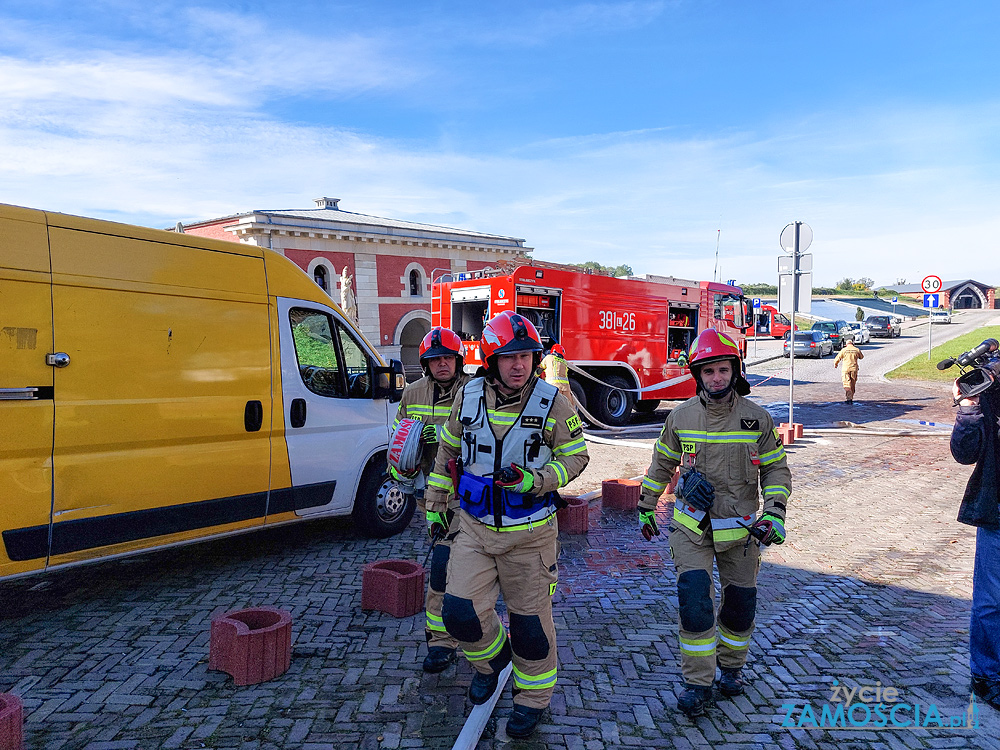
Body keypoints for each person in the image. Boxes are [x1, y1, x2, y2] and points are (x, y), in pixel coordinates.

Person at [423, 311, 589, 739]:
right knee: (459, 613)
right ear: (491, 359)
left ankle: (531, 698)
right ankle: (494, 664)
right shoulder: (469, 396)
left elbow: (576, 457)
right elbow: (447, 452)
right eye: (510, 357)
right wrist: (435, 503)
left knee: (531, 629)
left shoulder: (554, 402)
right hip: (474, 528)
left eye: (528, 356)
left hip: (530, 536)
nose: (520, 365)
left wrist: (537, 480)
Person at [637, 329, 792, 718]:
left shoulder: (757, 419)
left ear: (734, 371)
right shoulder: (680, 416)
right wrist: (646, 503)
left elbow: (776, 470)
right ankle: (697, 682)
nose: (717, 378)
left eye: (723, 370)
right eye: (709, 372)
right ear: (698, 375)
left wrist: (774, 513)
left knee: (740, 606)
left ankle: (732, 669)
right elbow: (661, 464)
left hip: (741, 532)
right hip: (691, 527)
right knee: (694, 601)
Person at [391, 327, 471, 673]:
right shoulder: (413, 393)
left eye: (447, 358)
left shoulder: (475, 391)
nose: (442, 364)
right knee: (442, 568)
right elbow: (398, 440)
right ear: (425, 364)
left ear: (458, 360)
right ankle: (440, 643)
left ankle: (473, 633)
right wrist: (405, 460)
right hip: (432, 499)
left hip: (471, 497)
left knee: (465, 569)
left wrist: (442, 434)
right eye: (435, 359)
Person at [950, 381, 1000, 710]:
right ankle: (987, 677)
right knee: (991, 602)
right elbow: (964, 453)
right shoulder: (992, 393)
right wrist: (968, 407)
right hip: (997, 512)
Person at [539, 343, 576, 409]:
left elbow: (540, 369)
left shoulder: (548, 358)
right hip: (566, 389)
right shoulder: (564, 362)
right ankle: (577, 419)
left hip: (553, 388)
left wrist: (534, 376)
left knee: (553, 409)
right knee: (570, 409)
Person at [833, 336, 864, 403]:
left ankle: (849, 398)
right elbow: (861, 357)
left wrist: (836, 364)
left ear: (846, 344)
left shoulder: (844, 350)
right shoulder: (856, 350)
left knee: (847, 383)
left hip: (845, 369)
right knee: (853, 383)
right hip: (854, 369)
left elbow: (837, 358)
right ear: (852, 344)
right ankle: (850, 397)